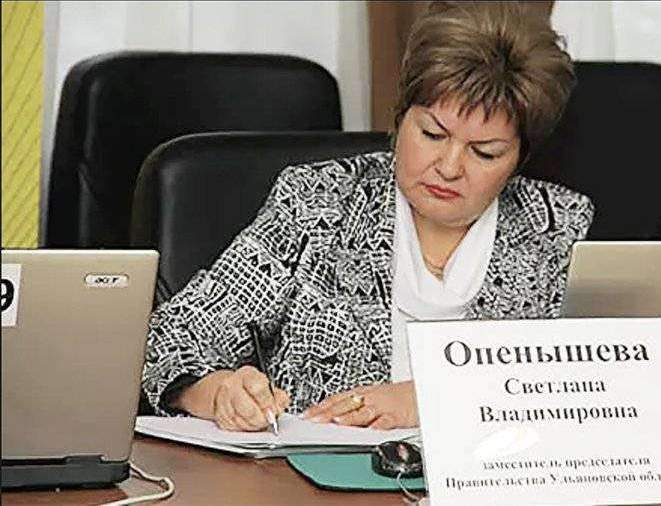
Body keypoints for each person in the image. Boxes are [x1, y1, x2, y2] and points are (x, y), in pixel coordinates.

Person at [141, 1, 594, 431]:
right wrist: (215, 392)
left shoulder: (557, 228)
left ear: (520, 157)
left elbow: (595, 386)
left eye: (485, 152)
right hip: (310, 475)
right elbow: (167, 338)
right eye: (432, 134)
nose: (450, 167)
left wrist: (429, 398)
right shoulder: (318, 201)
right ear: (400, 118)